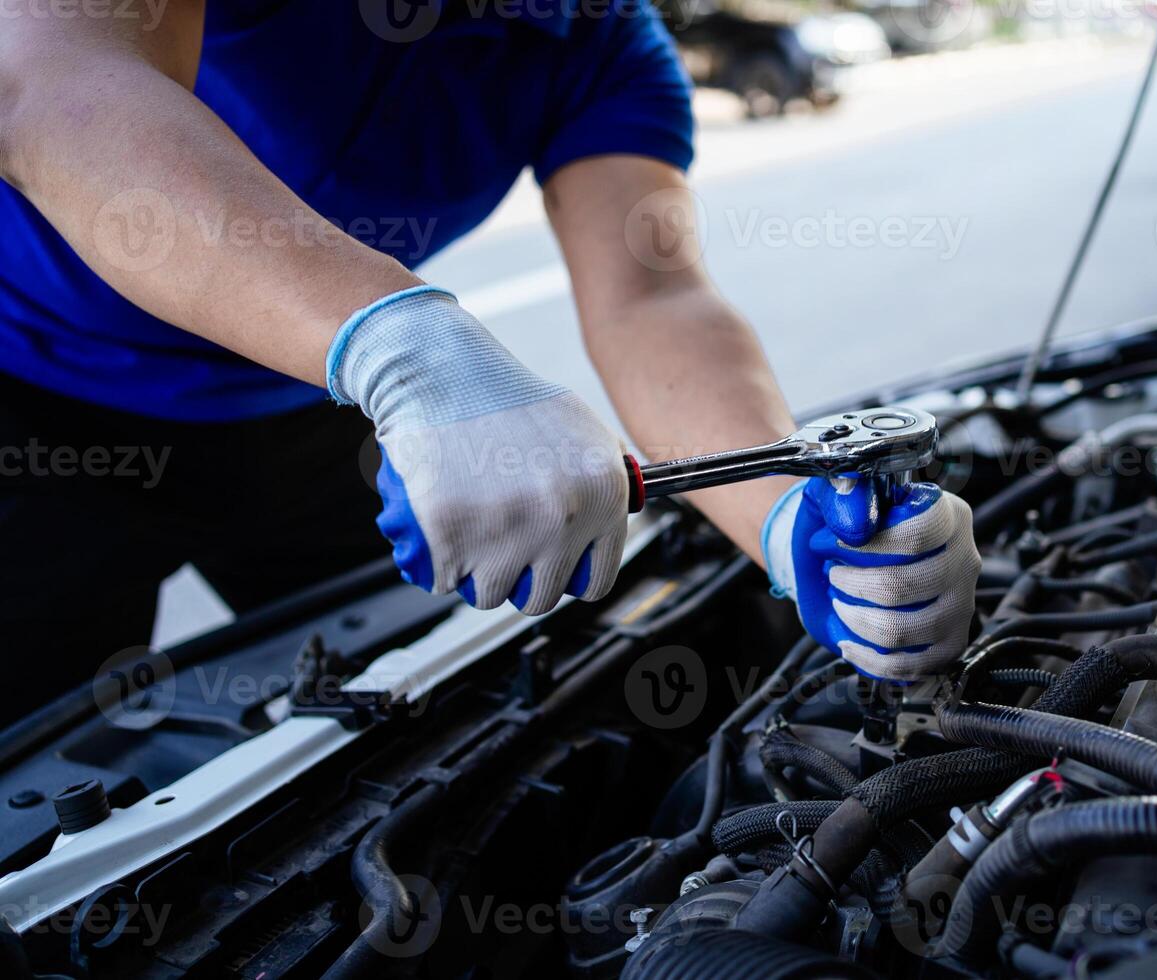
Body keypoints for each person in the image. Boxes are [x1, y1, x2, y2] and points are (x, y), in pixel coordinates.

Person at [0, 1, 980, 723]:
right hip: (28, 398)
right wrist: (404, 343)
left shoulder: (593, 38)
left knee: (402, 736)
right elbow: (48, 79)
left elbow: (654, 296)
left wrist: (781, 511)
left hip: (305, 400)